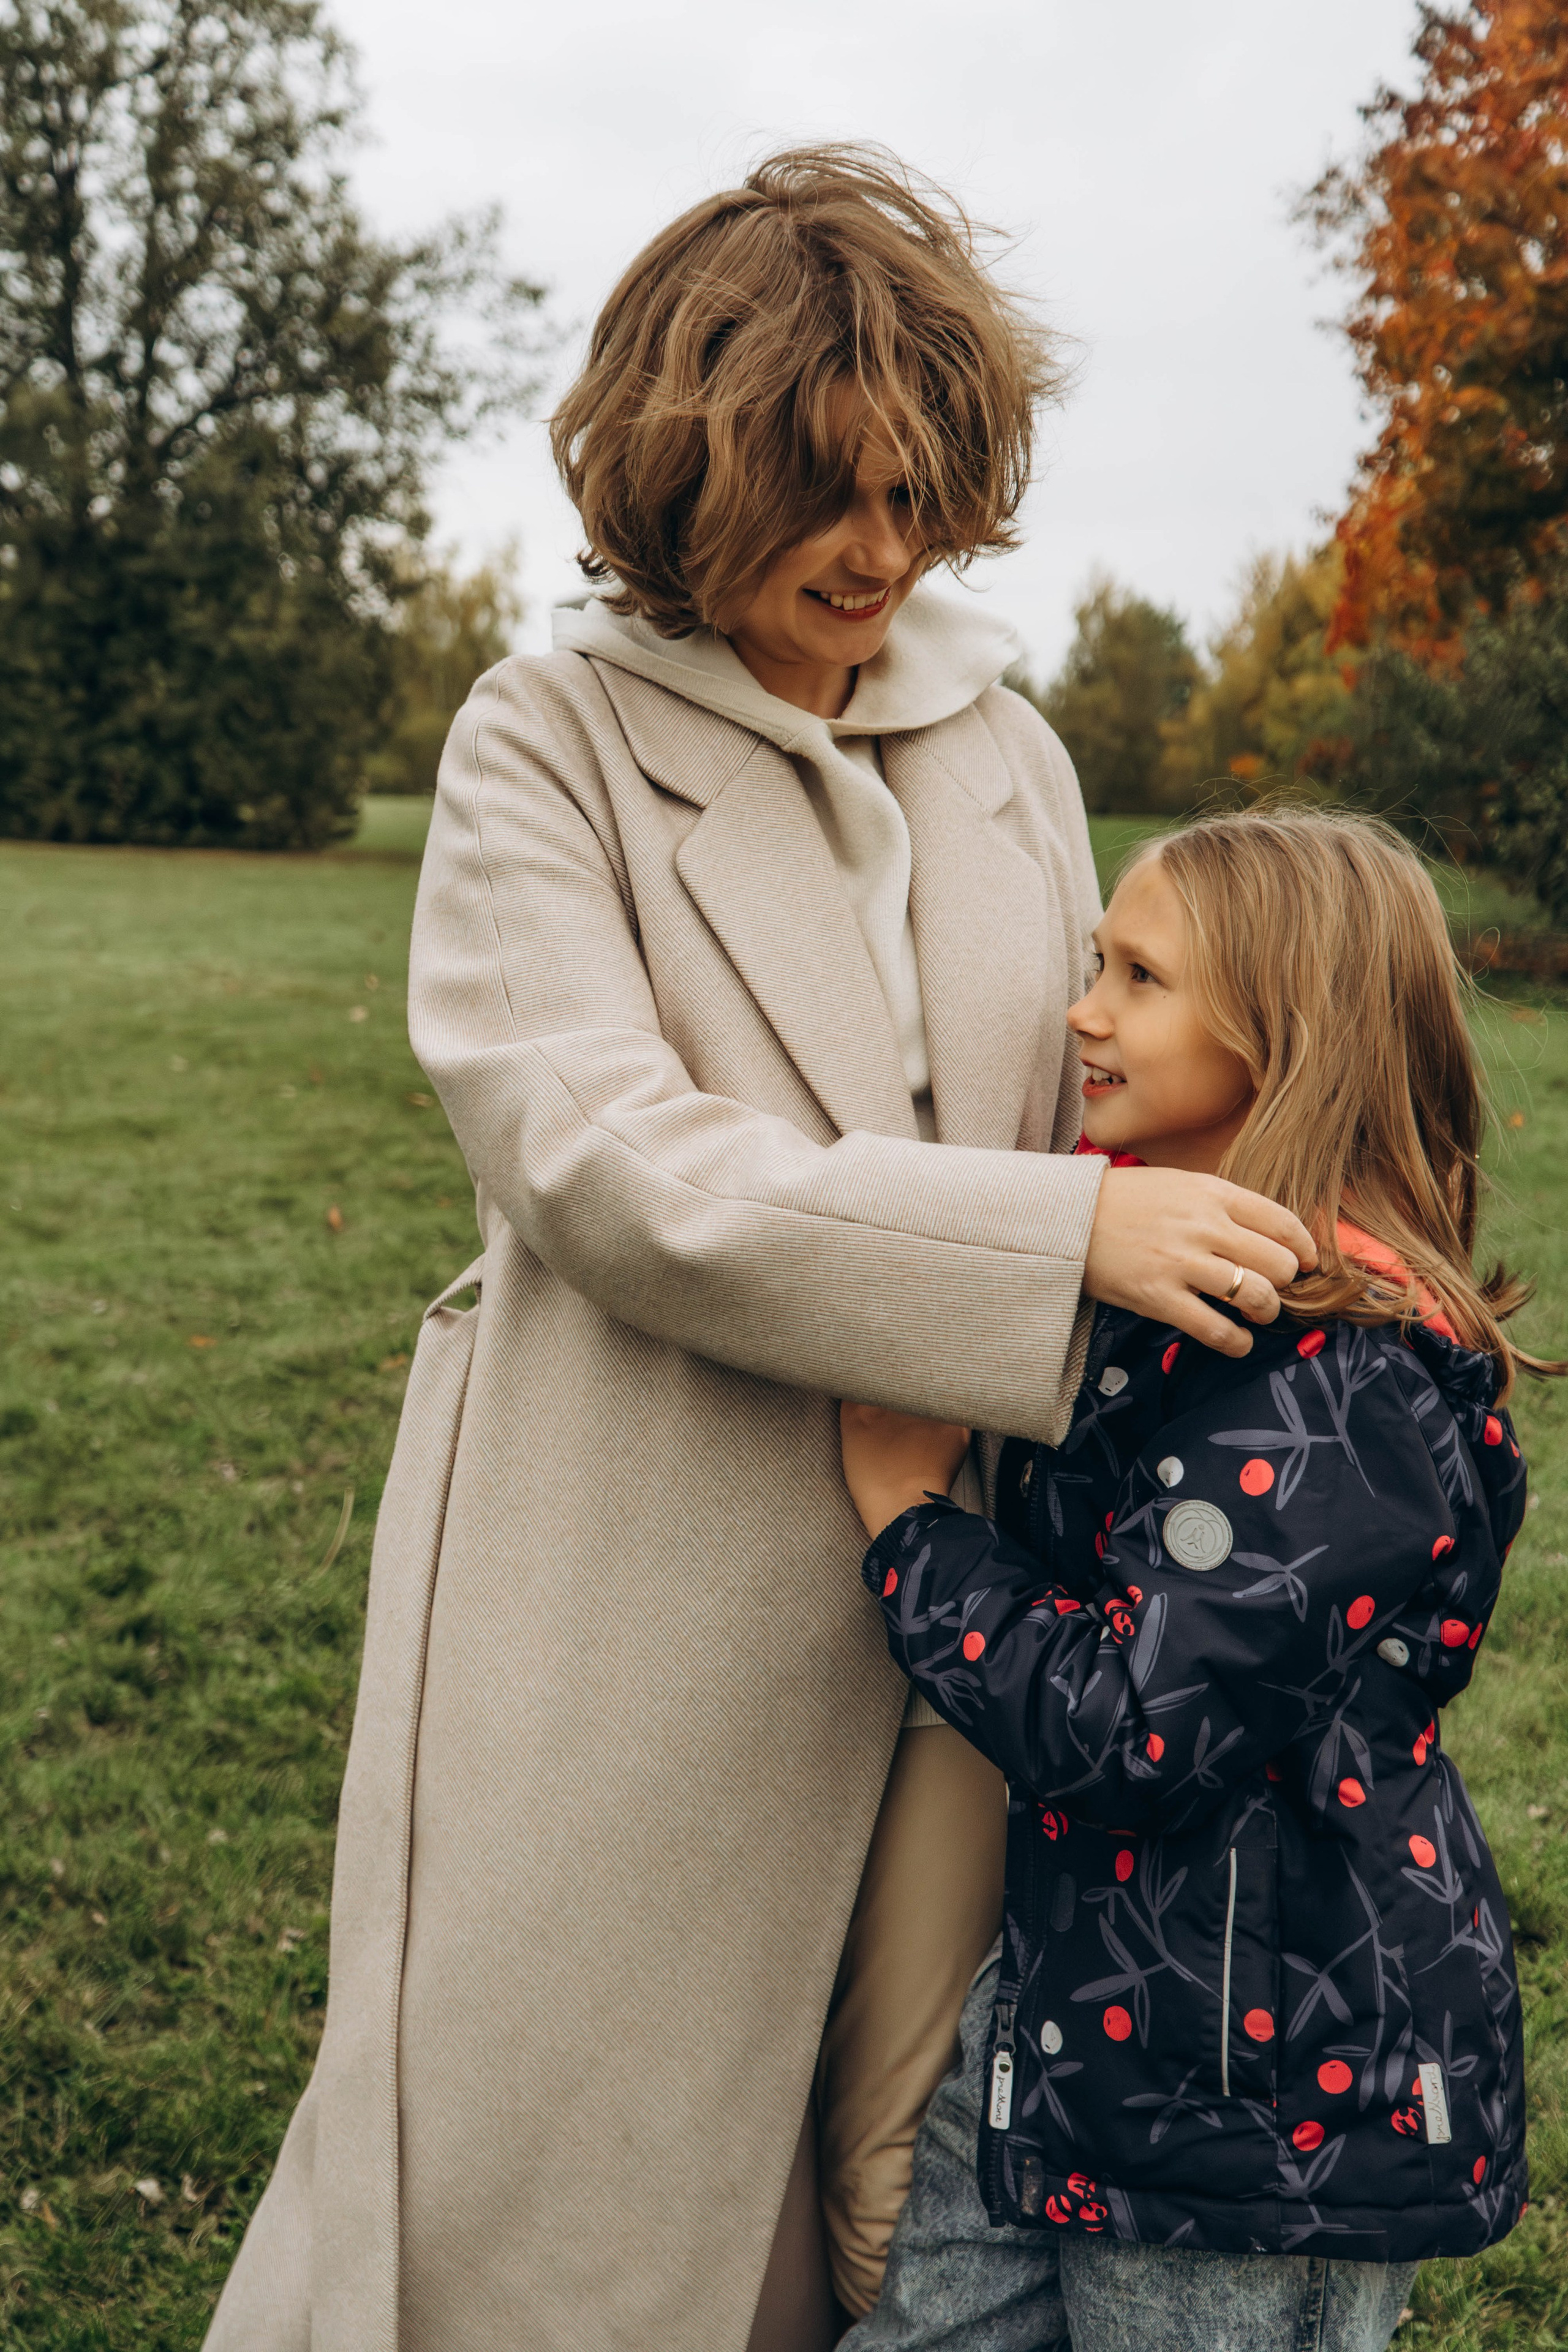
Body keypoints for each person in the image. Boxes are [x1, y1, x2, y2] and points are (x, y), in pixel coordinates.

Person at [203, 153, 1315, 2352]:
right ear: (688, 473)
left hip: (972, 1596)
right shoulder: (549, 741)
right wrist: (1058, 1242)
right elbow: (610, 1165)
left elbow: (1118, 1075)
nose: (883, 556)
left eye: (922, 492)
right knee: (566, 2211)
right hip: (633, 1580)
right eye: (827, 493)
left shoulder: (1008, 751)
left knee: (919, 2203)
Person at [838, 806, 1550, 2352]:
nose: (1079, 1007)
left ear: (1282, 1042)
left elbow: (1131, 1732)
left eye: (1136, 977)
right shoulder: (1179, 1313)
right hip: (1069, 2040)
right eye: (1094, 958)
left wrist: (910, 1520)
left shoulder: (1344, 1390)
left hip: (1266, 2121)